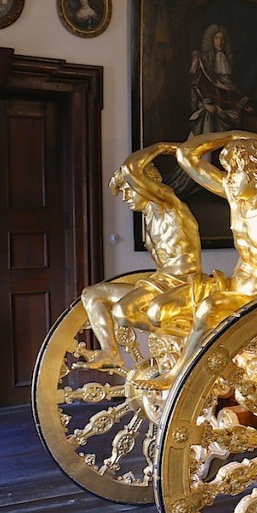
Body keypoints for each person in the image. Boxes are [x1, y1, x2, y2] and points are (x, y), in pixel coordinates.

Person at [138, 130, 257, 389]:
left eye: (236, 171)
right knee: (158, 310)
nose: (230, 179)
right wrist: (237, 134)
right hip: (233, 286)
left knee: (210, 308)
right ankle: (210, 354)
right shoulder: (237, 199)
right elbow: (186, 155)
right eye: (229, 171)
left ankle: (179, 375)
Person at [79, 143, 206, 368]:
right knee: (92, 295)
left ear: (147, 185)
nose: (126, 197)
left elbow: (131, 169)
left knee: (122, 310)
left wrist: (162, 147)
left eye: (130, 189)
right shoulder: (148, 218)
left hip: (182, 284)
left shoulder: (167, 206)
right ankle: (110, 352)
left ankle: (195, 336)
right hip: (159, 283)